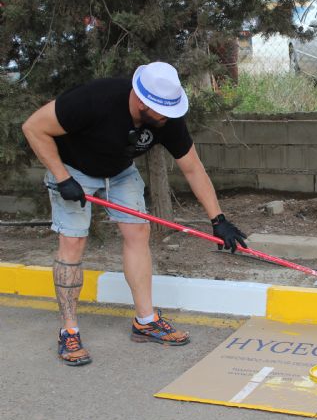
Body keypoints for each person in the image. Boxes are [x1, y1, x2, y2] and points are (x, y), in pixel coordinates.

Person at [21, 61, 247, 366]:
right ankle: (69, 331)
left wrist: (218, 220)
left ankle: (145, 321)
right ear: (141, 102)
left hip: (119, 172)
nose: (166, 118)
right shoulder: (94, 99)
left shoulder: (166, 118)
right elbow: (33, 127)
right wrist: (62, 178)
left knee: (138, 232)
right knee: (72, 242)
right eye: (159, 112)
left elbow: (193, 168)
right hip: (72, 169)